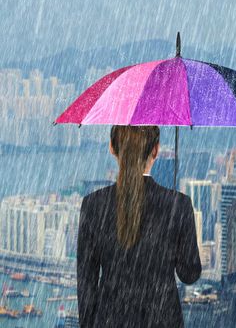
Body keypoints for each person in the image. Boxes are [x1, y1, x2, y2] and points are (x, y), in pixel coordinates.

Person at [77, 125, 201, 328]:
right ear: (156, 150)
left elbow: (86, 284)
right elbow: (189, 274)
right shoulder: (178, 205)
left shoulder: (93, 205)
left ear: (112, 148)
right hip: (163, 321)